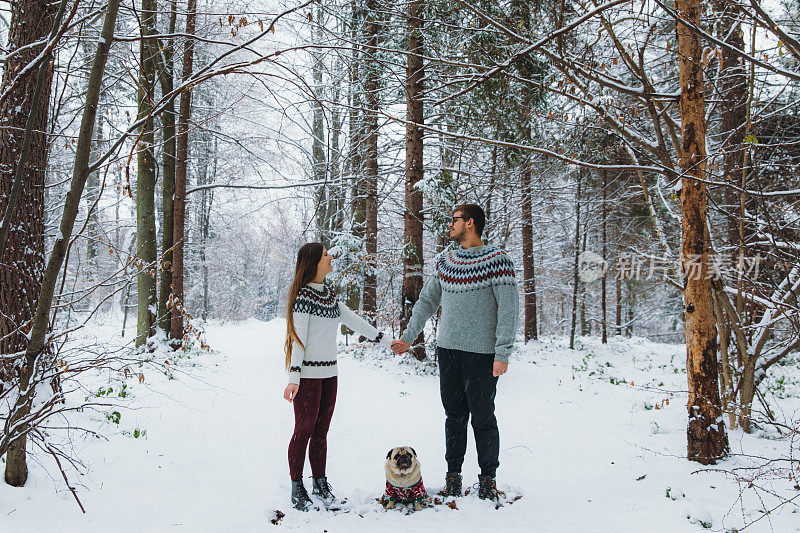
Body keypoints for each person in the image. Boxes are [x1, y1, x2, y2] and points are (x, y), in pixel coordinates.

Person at [391, 204, 519, 501]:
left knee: (483, 417)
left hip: (482, 355)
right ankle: (453, 477)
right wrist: (409, 338)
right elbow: (426, 302)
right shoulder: (444, 261)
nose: (450, 225)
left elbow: (509, 310)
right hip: (448, 351)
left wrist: (503, 353)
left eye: (455, 220)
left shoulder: (498, 261)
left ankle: (487, 479)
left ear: (470, 223)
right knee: (454, 416)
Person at [283, 242, 392, 511]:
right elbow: (298, 340)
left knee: (321, 433)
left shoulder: (329, 295)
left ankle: (320, 483)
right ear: (314, 262)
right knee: (303, 432)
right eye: (325, 255)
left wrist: (388, 342)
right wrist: (293, 377)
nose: (331, 257)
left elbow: (354, 320)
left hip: (330, 374)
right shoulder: (303, 298)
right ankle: (297, 488)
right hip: (308, 377)